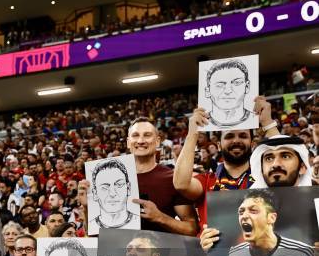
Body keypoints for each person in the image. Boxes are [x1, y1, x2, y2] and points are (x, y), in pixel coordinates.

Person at [173, 97, 278, 227]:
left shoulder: (264, 177)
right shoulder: (207, 180)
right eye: (229, 136)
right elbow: (181, 184)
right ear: (218, 145)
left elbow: (286, 163)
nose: (236, 141)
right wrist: (193, 133)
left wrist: (268, 123)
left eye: (243, 136)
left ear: (252, 144)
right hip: (212, 246)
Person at [127, 118, 198, 236]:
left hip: (161, 253)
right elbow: (96, 233)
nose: (140, 140)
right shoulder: (113, 180)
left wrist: (160, 217)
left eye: (147, 135)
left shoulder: (173, 178)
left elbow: (192, 229)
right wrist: (88, 208)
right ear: (128, 142)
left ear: (158, 141)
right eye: (135, 135)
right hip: (120, 252)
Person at [88, 158, 141, 233]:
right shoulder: (89, 227)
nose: (112, 193)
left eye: (119, 185)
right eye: (104, 187)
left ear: (128, 188)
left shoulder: (141, 223)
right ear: (95, 193)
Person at [204, 59, 254, 129]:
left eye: (237, 83)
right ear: (207, 91)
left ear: (247, 86)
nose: (228, 91)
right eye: (220, 85)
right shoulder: (201, 124)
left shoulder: (257, 120)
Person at [249, 135, 313, 188]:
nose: (276, 164)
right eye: (269, 158)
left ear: (302, 167)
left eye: (285, 157)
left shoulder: (315, 202)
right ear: (261, 168)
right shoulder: (247, 202)